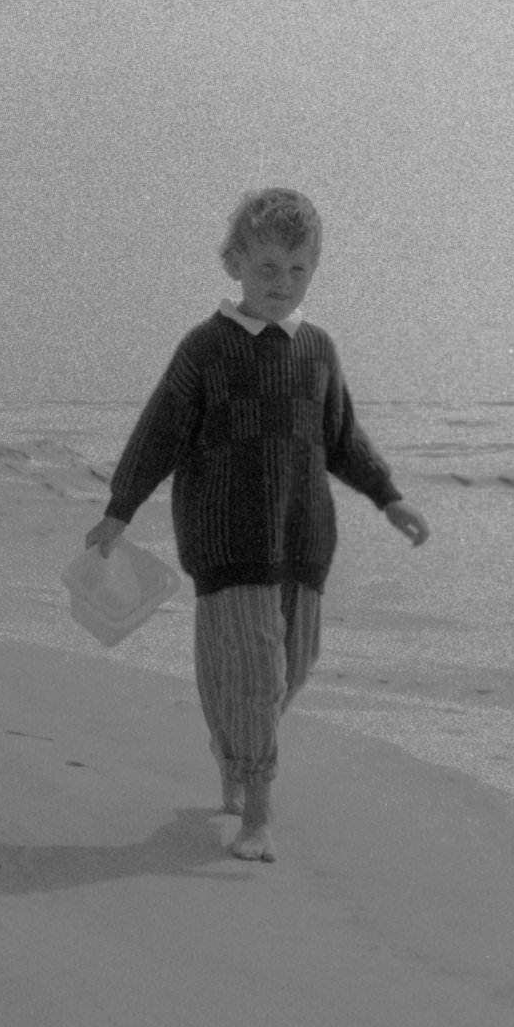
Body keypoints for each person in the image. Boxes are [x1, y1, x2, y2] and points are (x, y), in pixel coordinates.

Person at [85, 188, 429, 861]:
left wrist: (389, 498)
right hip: (225, 540)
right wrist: (118, 511)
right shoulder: (206, 349)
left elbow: (342, 438)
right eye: (268, 267)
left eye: (298, 269)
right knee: (252, 673)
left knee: (290, 668)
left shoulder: (318, 349)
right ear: (235, 263)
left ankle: (234, 755)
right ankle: (257, 816)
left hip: (303, 540)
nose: (282, 282)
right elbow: (159, 433)